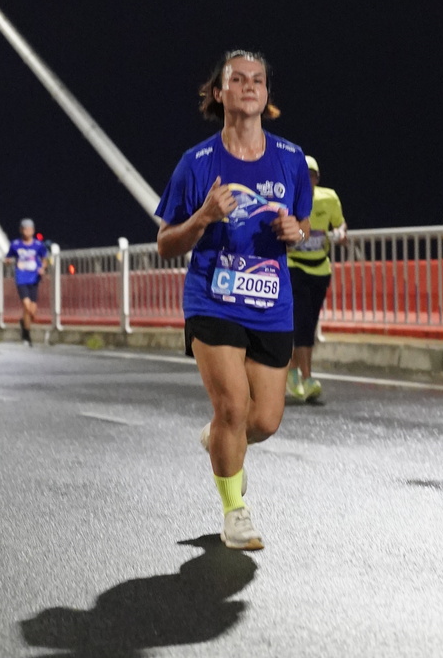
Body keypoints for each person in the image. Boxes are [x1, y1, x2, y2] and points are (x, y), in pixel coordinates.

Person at [156, 50, 312, 551]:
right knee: (232, 407)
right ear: (219, 93)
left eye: (258, 80)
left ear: (266, 95)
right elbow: (165, 244)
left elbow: (304, 224)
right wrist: (203, 217)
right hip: (213, 299)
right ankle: (234, 511)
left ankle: (221, 440)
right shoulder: (196, 163)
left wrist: (296, 231)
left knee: (263, 420)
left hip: (271, 301)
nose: (248, 86)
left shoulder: (290, 158)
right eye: (238, 79)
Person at [286, 155, 347, 402]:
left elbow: (341, 224)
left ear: (317, 178)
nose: (307, 180)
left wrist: (340, 233)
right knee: (302, 322)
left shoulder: (329, 198)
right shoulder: (287, 200)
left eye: (311, 175)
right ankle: (308, 378)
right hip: (294, 267)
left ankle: (291, 368)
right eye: (303, 176)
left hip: (321, 268)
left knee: (309, 323)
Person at [5, 219, 48, 346]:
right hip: (21, 278)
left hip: (34, 279)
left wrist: (42, 268)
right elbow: (7, 258)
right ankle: (27, 336)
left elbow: (45, 259)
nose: (27, 231)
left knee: (32, 311)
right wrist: (8, 261)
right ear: (21, 230)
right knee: (26, 306)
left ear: (33, 230)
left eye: (29, 229)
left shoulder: (38, 245)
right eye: (25, 229)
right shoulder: (15, 244)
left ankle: (24, 325)